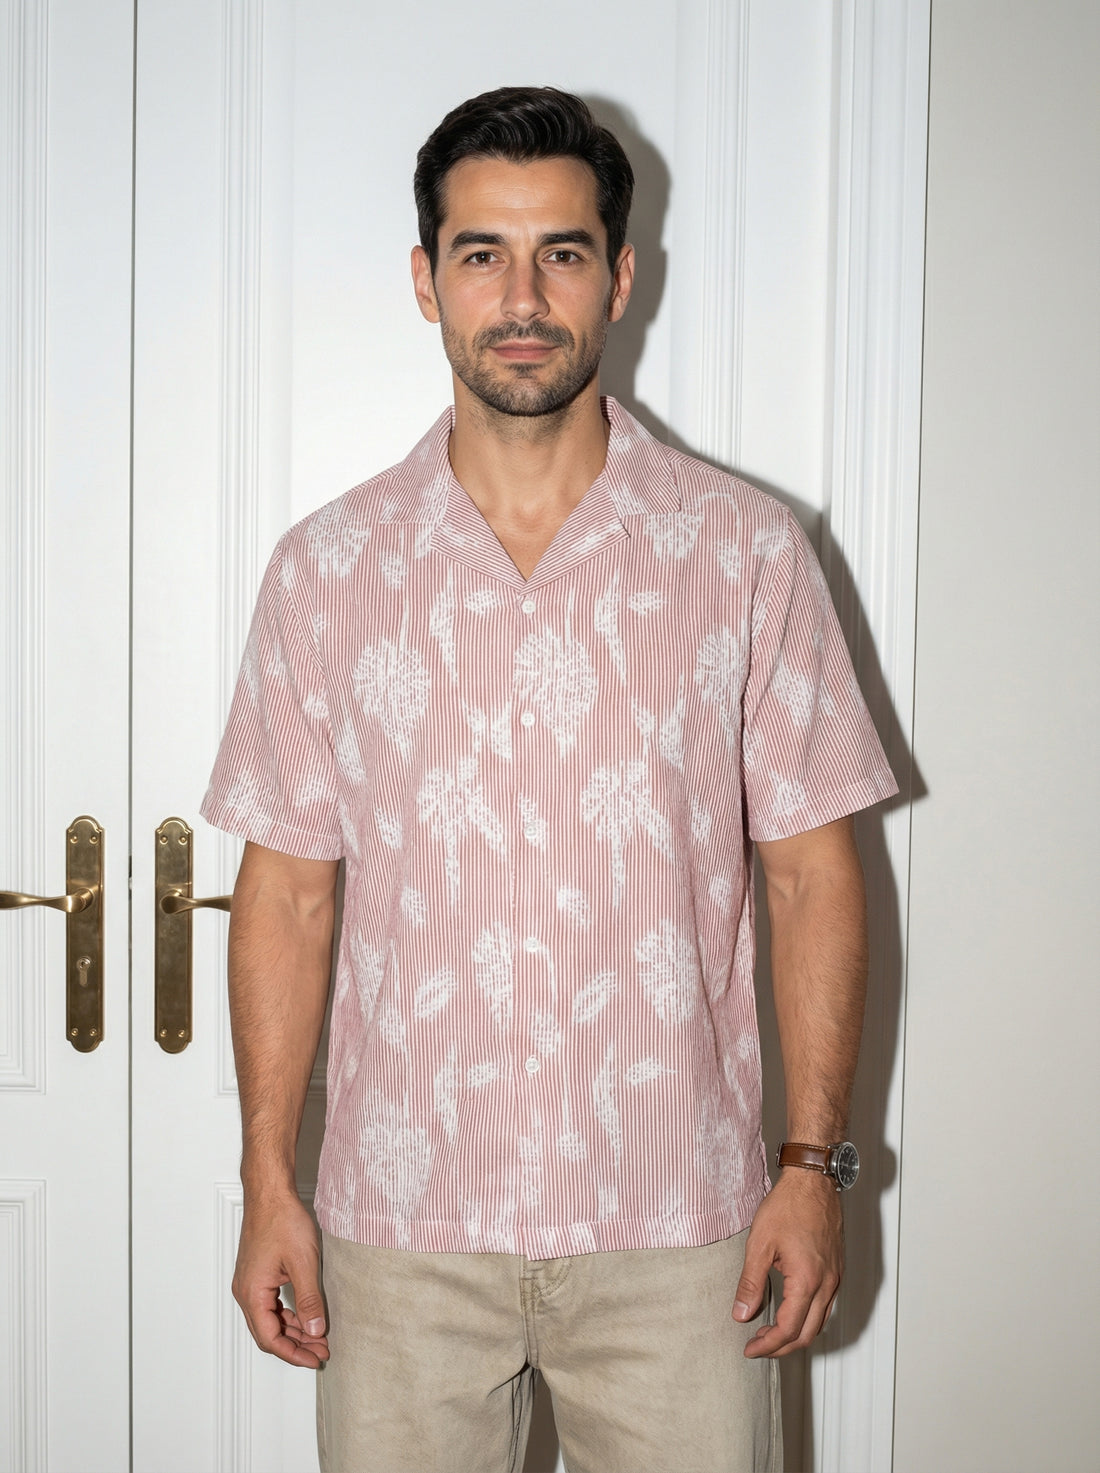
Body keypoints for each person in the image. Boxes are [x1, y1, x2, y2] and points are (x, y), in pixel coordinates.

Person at [201, 85, 898, 1473]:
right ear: (426, 280)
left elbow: (814, 878)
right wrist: (266, 1178)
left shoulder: (746, 555)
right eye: (482, 254)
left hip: (680, 1235)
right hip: (402, 1232)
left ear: (619, 278)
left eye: (561, 253)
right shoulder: (327, 572)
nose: (521, 298)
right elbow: (284, 895)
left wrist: (814, 1169)